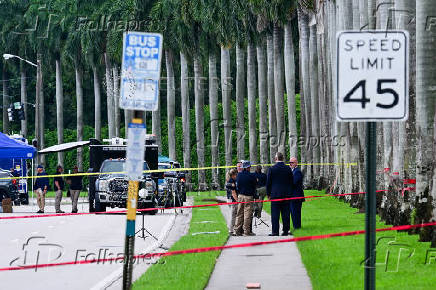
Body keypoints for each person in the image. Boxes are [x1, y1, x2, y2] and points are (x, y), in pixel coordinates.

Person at [266, 152, 294, 236]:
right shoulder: (288, 168)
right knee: (286, 213)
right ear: (283, 159)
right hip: (286, 194)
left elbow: (268, 183)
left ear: (275, 159)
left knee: (275, 214)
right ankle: (285, 230)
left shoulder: (272, 169)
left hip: (275, 194)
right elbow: (291, 181)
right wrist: (290, 192)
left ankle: (275, 231)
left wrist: (268, 194)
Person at [234, 161, 257, 236]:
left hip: (240, 195)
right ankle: (246, 231)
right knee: (247, 214)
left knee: (239, 213)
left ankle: (237, 230)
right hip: (248, 196)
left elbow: (237, 186)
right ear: (247, 167)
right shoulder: (252, 176)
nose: (250, 168)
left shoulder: (239, 175)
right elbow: (255, 186)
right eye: (249, 167)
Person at [290, 157, 304, 229]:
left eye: (292, 162)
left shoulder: (297, 171)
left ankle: (297, 226)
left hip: (296, 196)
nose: (290, 164)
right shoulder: (293, 171)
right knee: (293, 211)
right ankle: (296, 225)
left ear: (296, 163)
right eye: (290, 162)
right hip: (293, 195)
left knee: (296, 211)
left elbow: (294, 182)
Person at [225, 168, 238, 235]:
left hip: (232, 199)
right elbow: (233, 192)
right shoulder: (231, 181)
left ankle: (234, 229)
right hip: (233, 200)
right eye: (236, 175)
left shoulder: (231, 181)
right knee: (234, 215)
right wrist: (237, 201)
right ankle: (231, 230)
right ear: (233, 175)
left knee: (234, 215)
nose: (237, 176)